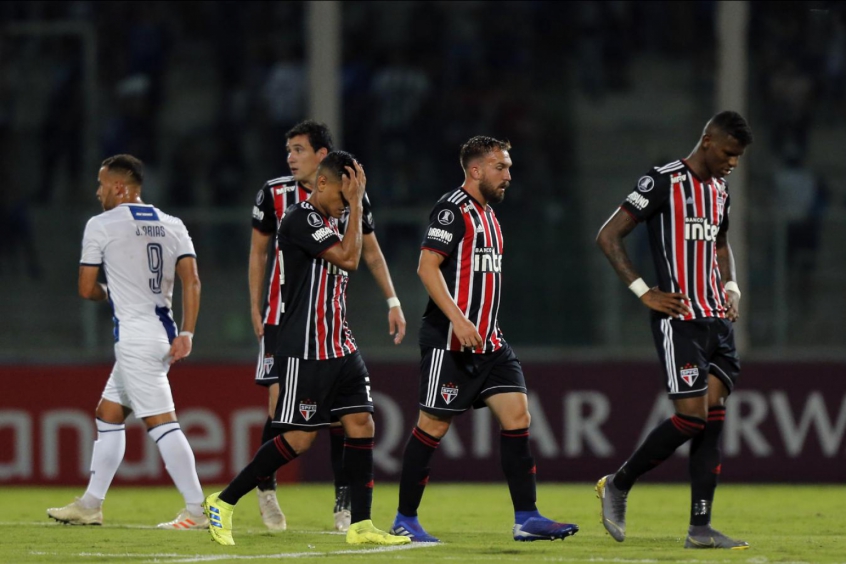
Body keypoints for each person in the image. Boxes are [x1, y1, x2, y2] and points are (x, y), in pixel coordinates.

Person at [203, 152, 409, 548]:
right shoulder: (300, 219)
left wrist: (353, 205)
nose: (346, 201)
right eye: (341, 193)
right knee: (299, 438)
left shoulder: (338, 217)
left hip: (340, 342)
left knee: (362, 424)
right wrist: (354, 203)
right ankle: (224, 500)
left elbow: (367, 251)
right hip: (305, 347)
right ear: (321, 185)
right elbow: (349, 259)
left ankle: (362, 524)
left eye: (351, 194)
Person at [389, 136, 579, 543]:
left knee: (518, 418)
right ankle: (405, 518)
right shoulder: (451, 210)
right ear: (475, 170)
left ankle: (526, 517)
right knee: (432, 427)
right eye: (500, 167)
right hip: (450, 342)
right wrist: (457, 320)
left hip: (490, 343)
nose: (508, 175)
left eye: (508, 167)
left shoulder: (489, 216)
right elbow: (427, 267)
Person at [595, 111, 753, 550]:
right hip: (679, 319)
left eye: (738, 158)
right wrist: (644, 291)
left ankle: (699, 529)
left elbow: (720, 242)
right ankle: (619, 483)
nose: (732, 164)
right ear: (707, 141)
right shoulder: (663, 180)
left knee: (711, 420)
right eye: (727, 153)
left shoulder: (720, 190)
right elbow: (609, 235)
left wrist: (731, 285)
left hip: (718, 321)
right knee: (691, 417)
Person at [249, 120, 406, 532]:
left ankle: (343, 504)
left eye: (298, 149)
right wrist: (256, 306)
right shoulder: (275, 194)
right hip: (281, 317)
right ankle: (263, 488)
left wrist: (392, 299)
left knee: (343, 416)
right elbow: (258, 253)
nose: (290, 157)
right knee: (282, 413)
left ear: (322, 158)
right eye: (288, 150)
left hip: (324, 320)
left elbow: (369, 252)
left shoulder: (349, 195)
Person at [47, 154, 206, 529]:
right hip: (163, 331)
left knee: (163, 424)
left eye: (102, 184)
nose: (97, 191)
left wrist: (109, 293)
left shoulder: (101, 225)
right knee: (109, 413)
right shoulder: (172, 224)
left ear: (120, 187)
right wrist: (187, 332)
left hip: (135, 337)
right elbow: (192, 281)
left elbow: (86, 289)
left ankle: (198, 512)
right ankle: (90, 505)